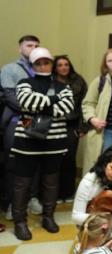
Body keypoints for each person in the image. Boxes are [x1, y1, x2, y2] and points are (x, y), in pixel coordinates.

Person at [11, 47, 74, 241]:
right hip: (26, 142)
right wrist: (53, 100)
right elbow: (26, 101)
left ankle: (48, 217)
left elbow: (66, 108)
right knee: (22, 184)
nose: (43, 65)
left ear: (51, 64)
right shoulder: (24, 82)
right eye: (38, 62)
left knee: (51, 182)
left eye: (46, 62)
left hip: (54, 143)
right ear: (32, 64)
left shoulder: (64, 86)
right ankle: (20, 222)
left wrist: (40, 106)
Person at [0, 35, 43, 220]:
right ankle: (10, 203)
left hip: (38, 121)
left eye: (36, 46)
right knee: (13, 163)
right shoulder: (10, 69)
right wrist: (35, 107)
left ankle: (31, 198)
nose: (33, 48)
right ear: (20, 48)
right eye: (29, 45)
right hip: (18, 120)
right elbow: (9, 96)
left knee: (34, 160)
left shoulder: (42, 69)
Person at [53, 55, 89, 202]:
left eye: (66, 64)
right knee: (54, 160)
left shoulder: (78, 81)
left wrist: (83, 127)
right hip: (53, 125)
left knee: (69, 160)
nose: (63, 67)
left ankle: (68, 192)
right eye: (60, 65)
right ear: (55, 68)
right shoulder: (49, 81)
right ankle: (53, 193)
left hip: (71, 126)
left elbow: (85, 105)